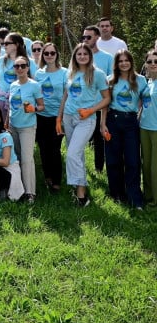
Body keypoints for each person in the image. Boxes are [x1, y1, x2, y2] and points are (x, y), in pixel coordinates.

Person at [57, 43, 110, 207]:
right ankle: (78, 186)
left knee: (72, 153)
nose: (82, 56)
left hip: (86, 119)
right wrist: (59, 118)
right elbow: (65, 96)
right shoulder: (70, 72)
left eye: (85, 54)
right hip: (68, 117)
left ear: (90, 56)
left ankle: (81, 195)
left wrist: (91, 111)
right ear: (75, 56)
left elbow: (107, 98)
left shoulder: (98, 74)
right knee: (77, 154)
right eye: (78, 54)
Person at [101, 50, 146, 209]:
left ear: (131, 62)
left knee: (133, 160)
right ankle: (117, 194)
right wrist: (102, 124)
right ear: (116, 64)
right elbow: (105, 104)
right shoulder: (110, 80)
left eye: (127, 60)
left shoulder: (140, 80)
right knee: (113, 160)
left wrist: (139, 118)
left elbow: (144, 102)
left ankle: (135, 197)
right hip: (112, 121)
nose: (124, 63)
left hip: (131, 123)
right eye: (120, 61)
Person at [9, 56, 44, 203]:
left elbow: (42, 106)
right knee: (16, 159)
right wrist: (6, 123)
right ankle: (18, 189)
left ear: (28, 68)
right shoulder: (13, 85)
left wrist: (34, 108)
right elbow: (11, 107)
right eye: (17, 66)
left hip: (27, 127)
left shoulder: (34, 85)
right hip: (13, 126)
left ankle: (30, 192)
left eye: (23, 66)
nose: (20, 69)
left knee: (27, 159)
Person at [34, 42, 68, 193]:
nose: (49, 56)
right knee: (43, 148)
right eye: (46, 53)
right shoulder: (38, 73)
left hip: (58, 116)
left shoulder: (65, 73)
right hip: (41, 116)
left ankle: (56, 181)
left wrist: (60, 116)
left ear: (57, 55)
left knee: (54, 149)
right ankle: (47, 176)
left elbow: (66, 96)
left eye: (52, 53)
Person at [82, 25, 113, 172]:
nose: (85, 40)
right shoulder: (79, 56)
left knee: (99, 141)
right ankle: (81, 169)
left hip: (99, 106)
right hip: (82, 107)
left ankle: (99, 170)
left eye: (89, 37)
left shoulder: (107, 58)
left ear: (97, 37)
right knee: (81, 141)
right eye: (84, 37)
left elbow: (111, 81)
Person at [0, 32, 34, 123]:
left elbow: (34, 83)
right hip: (2, 101)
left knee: (20, 129)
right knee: (3, 131)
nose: (4, 46)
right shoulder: (0, 61)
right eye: (3, 44)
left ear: (16, 45)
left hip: (21, 102)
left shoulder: (29, 62)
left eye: (7, 43)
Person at [140, 49, 157, 205]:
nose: (153, 64)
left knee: (154, 167)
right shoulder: (148, 82)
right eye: (150, 61)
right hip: (144, 127)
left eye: (156, 61)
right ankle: (148, 195)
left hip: (156, 129)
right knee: (145, 165)